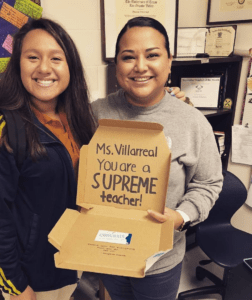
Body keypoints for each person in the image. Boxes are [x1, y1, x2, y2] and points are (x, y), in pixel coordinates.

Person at [91, 17, 223, 300]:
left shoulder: (192, 122)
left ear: (169, 61)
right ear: (117, 65)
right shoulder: (94, 114)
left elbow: (208, 183)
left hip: (160, 260)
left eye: (152, 55)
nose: (140, 66)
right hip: (109, 251)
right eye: (128, 57)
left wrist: (180, 216)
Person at [0, 18, 96, 300]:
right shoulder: (2, 129)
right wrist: (14, 284)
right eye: (32, 57)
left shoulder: (80, 120)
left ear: (69, 67)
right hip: (31, 278)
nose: (44, 68)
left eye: (55, 58)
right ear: (18, 65)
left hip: (71, 262)